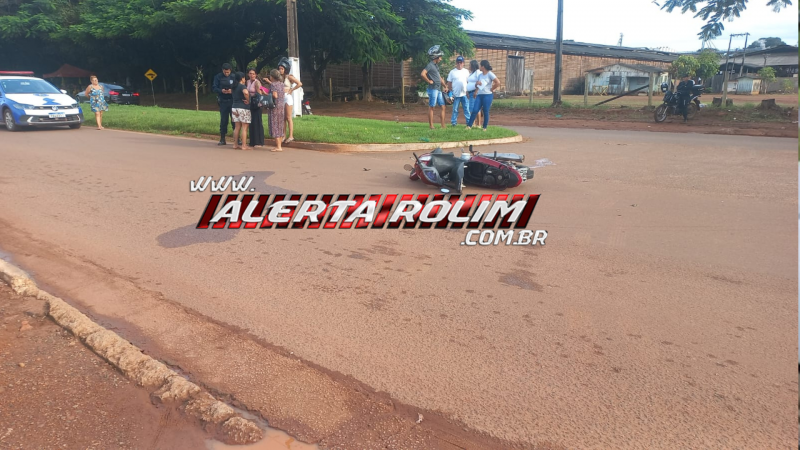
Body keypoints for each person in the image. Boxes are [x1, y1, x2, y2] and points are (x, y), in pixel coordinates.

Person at [466, 60, 500, 131]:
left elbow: (497, 82)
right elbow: (477, 85)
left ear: (483, 67)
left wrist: (492, 89)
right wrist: (476, 89)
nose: (479, 67)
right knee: (475, 110)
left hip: (487, 95)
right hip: (479, 95)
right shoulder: (480, 75)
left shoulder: (490, 74)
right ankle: (469, 125)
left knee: (485, 111)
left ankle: (484, 127)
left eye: (480, 65)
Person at [420, 45, 449, 129]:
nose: (441, 58)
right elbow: (422, 74)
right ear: (436, 57)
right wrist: (429, 81)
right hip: (433, 89)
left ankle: (443, 125)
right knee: (432, 107)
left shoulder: (436, 66)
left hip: (438, 89)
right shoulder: (430, 65)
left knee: (443, 106)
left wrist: (445, 86)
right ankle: (431, 126)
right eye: (440, 57)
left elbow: (439, 77)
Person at [277, 58, 302, 144]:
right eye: (279, 68)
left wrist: (292, 89)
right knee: (283, 118)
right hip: (281, 98)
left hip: (288, 98)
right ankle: (284, 135)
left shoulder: (289, 77)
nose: (280, 70)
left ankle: (291, 136)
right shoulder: (280, 78)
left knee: (288, 117)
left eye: (282, 68)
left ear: (286, 69)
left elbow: (299, 83)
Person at [212, 63, 237, 146]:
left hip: (232, 101)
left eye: (228, 72)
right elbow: (214, 87)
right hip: (223, 101)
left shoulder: (234, 77)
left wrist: (232, 91)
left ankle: (237, 139)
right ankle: (222, 138)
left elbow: (238, 87)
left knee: (234, 120)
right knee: (223, 120)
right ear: (222, 70)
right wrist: (221, 90)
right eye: (225, 72)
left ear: (230, 70)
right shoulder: (218, 77)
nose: (226, 74)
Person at [446, 56, 471, 127]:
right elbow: (449, 83)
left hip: (464, 94)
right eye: (458, 62)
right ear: (456, 63)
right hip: (455, 94)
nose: (459, 64)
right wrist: (450, 93)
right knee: (455, 109)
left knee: (466, 109)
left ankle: (468, 123)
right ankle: (454, 123)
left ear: (463, 63)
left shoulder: (466, 71)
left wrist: (468, 91)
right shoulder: (452, 72)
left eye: (461, 62)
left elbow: (468, 82)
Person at [231, 72, 251, 150]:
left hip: (234, 107)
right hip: (243, 108)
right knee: (244, 127)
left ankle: (235, 144)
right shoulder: (242, 86)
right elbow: (246, 93)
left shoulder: (234, 86)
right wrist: (248, 100)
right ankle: (244, 145)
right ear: (242, 78)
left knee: (237, 127)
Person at [267, 69, 286, 152]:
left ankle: (278, 146)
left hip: (275, 106)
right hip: (281, 105)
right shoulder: (282, 84)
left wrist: (267, 94)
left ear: (272, 76)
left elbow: (275, 95)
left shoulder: (273, 85)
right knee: (280, 124)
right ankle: (279, 145)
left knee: (275, 125)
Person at [246, 68, 265, 147]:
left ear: (256, 74)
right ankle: (252, 141)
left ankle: (259, 142)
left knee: (257, 122)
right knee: (251, 122)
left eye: (253, 74)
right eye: (250, 73)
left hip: (257, 104)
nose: (252, 75)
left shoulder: (257, 83)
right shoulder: (247, 82)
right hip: (250, 104)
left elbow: (259, 93)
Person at [466, 60, 482, 128]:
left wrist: (476, 91)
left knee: (475, 108)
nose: (469, 66)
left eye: (470, 65)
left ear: (473, 65)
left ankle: (478, 124)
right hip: (470, 92)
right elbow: (468, 82)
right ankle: (474, 123)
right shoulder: (471, 73)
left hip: (474, 92)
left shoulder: (477, 72)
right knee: (472, 108)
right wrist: (467, 91)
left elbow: (480, 82)